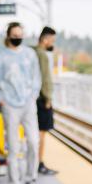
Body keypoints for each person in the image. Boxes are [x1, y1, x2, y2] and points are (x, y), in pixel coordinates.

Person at [0, 22, 42, 184]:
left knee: (33, 142)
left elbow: (36, 77)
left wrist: (33, 96)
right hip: (9, 106)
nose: (18, 37)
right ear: (8, 35)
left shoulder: (29, 54)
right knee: (14, 146)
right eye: (14, 34)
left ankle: (31, 180)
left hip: (28, 104)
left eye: (20, 34)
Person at [36, 26, 58, 175]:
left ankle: (36, 162)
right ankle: (39, 163)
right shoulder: (42, 54)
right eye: (52, 40)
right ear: (45, 39)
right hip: (42, 99)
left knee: (36, 133)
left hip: (34, 98)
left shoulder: (33, 52)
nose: (53, 43)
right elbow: (45, 77)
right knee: (41, 134)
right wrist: (48, 98)